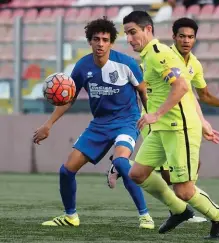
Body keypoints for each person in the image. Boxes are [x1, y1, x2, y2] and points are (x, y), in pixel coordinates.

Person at [33, 17, 154, 229]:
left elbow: (143, 91)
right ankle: (70, 216)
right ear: (90, 41)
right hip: (99, 125)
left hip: (127, 121)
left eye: (105, 39)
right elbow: (68, 98)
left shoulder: (126, 63)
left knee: (121, 163)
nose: (100, 43)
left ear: (111, 42)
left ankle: (145, 215)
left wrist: (151, 120)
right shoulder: (82, 67)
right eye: (96, 39)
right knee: (66, 170)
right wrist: (48, 124)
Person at [123, 10, 219, 239]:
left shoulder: (157, 53)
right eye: (126, 33)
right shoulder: (149, 55)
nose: (129, 39)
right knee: (137, 173)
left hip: (179, 127)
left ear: (148, 30)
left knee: (183, 190)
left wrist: (156, 114)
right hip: (162, 129)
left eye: (133, 32)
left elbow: (182, 87)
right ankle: (179, 211)